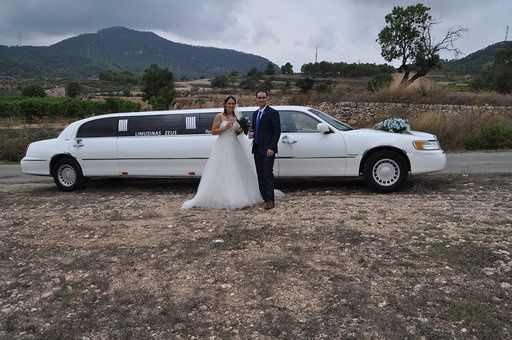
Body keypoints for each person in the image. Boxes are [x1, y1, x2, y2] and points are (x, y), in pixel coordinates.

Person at [181, 95, 263, 210]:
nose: (231, 106)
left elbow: (236, 133)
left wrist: (240, 130)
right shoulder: (219, 116)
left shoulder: (236, 117)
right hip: (223, 146)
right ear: (225, 104)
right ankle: (223, 196)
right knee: (223, 170)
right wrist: (226, 127)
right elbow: (213, 131)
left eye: (233, 104)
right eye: (229, 103)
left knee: (236, 169)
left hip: (235, 146)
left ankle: (239, 194)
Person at [250, 90, 281, 210]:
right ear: (256, 99)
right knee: (260, 174)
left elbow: (277, 131)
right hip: (257, 148)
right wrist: (251, 133)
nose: (261, 99)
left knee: (268, 174)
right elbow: (255, 128)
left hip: (268, 149)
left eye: (263, 97)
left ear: (266, 98)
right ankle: (264, 196)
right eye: (259, 97)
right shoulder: (255, 113)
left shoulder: (273, 113)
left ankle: (270, 200)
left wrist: (272, 148)